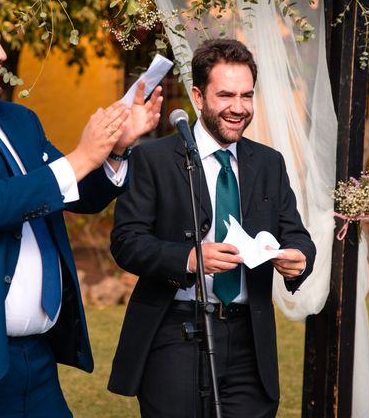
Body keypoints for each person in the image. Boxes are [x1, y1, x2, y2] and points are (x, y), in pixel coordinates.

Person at [0, 0, 162, 417]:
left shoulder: (19, 120)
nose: (1, 53)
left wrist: (115, 151)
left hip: (37, 362)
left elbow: (74, 194)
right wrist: (83, 155)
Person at [107, 38, 316, 417]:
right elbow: (126, 241)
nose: (239, 108)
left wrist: (300, 257)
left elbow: (295, 232)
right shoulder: (153, 158)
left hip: (249, 340)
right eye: (226, 96)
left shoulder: (269, 163)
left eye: (247, 96)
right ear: (199, 97)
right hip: (173, 332)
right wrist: (188, 257)